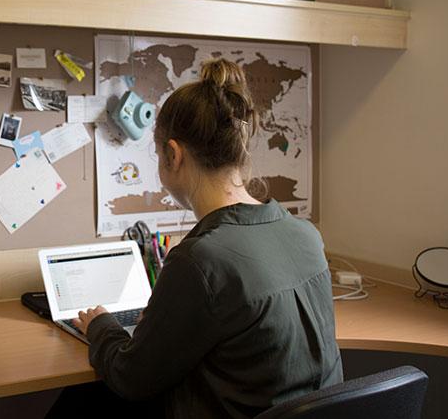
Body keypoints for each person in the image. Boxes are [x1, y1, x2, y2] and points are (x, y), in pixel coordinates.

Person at [53, 59, 342, 418]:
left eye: (158, 155)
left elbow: (131, 378)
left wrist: (100, 326)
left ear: (173, 155)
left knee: (82, 402)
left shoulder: (200, 260)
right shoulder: (305, 234)